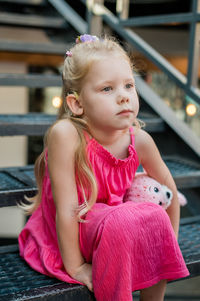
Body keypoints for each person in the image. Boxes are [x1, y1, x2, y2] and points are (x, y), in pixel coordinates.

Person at [18, 34, 189, 301]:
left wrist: (170, 243)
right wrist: (76, 266)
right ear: (77, 104)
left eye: (129, 86)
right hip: (72, 232)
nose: (123, 97)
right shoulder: (66, 135)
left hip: (114, 229)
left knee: (154, 216)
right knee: (122, 221)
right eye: (107, 89)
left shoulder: (140, 140)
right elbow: (66, 211)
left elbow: (171, 192)